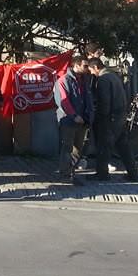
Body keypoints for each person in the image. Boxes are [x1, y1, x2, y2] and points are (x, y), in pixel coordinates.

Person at [89, 58, 138, 182]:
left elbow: (105, 101)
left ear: (96, 67)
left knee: (104, 146)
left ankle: (102, 174)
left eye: (91, 70)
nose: (91, 73)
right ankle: (133, 173)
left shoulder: (103, 80)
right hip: (120, 115)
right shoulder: (113, 76)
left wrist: (101, 117)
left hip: (110, 118)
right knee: (123, 146)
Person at [55, 55, 93, 185]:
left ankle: (71, 172)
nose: (87, 68)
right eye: (85, 66)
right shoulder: (63, 80)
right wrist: (74, 115)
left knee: (78, 149)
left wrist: (88, 115)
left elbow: (87, 98)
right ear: (76, 66)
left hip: (83, 120)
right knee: (67, 148)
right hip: (69, 120)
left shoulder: (83, 80)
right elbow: (64, 101)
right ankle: (65, 174)